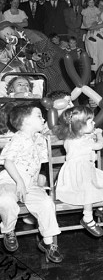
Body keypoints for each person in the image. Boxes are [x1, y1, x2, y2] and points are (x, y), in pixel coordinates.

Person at [0, 104, 63, 263]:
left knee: (47, 204)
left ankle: (48, 243)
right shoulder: (19, 137)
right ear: (26, 121)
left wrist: (39, 178)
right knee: (6, 200)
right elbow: (8, 162)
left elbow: (39, 163)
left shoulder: (41, 139)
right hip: (11, 179)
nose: (43, 119)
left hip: (30, 183)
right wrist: (19, 182)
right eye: (39, 116)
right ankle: (8, 230)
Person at [52, 106, 103, 238]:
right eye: (90, 121)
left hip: (78, 171)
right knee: (89, 187)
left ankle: (99, 209)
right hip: (80, 173)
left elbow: (83, 138)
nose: (94, 123)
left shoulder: (72, 138)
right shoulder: (82, 142)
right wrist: (99, 134)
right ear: (79, 127)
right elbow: (99, 145)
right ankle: (87, 217)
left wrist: (89, 134)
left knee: (101, 182)